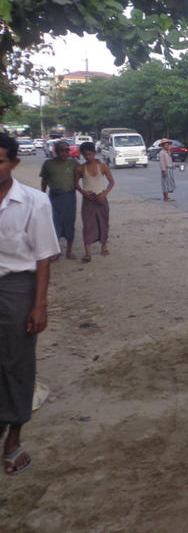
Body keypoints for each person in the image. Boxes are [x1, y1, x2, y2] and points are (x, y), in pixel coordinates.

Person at [0, 133, 60, 475]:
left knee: (16, 363)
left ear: (14, 164)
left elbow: (42, 258)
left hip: (16, 289)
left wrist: (39, 305)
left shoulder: (34, 202)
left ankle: (15, 435)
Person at [74, 142, 114, 262]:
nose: (87, 157)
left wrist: (104, 193)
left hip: (101, 199)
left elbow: (111, 182)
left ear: (94, 153)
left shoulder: (102, 166)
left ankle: (104, 246)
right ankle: (87, 252)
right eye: (85, 154)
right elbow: (75, 183)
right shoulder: (80, 168)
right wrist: (83, 192)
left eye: (89, 154)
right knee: (88, 225)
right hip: (88, 200)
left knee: (103, 222)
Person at [39, 140, 78, 259]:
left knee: (69, 223)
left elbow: (84, 172)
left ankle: (69, 251)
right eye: (62, 151)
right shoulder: (48, 164)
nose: (65, 153)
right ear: (56, 152)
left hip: (69, 197)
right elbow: (44, 180)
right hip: (54, 197)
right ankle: (56, 251)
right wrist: (42, 194)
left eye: (67, 151)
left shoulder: (73, 163)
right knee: (54, 224)